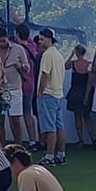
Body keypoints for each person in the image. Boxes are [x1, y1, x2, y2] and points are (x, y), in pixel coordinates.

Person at [33, 29, 67, 165]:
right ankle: (61, 154)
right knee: (59, 126)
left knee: (49, 127)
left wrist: (40, 92)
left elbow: (45, 75)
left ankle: (49, 155)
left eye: (42, 39)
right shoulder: (58, 55)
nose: (40, 42)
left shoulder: (47, 55)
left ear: (49, 39)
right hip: (58, 93)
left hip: (48, 94)